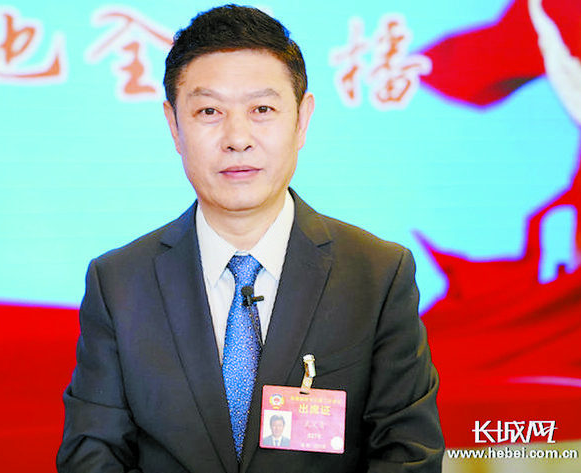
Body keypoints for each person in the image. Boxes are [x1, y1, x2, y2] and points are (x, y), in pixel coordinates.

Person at [57, 4, 444, 472]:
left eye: (262, 109)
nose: (237, 138)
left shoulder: (376, 275)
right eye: (209, 111)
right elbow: (92, 455)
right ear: (174, 126)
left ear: (301, 120)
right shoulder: (119, 283)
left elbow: (408, 455)